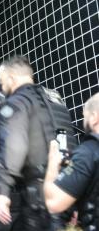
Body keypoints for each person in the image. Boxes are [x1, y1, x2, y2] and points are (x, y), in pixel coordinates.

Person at [0, 56, 76, 230]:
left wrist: (2, 190)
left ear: (11, 78)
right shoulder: (55, 99)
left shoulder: (17, 102)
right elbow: (70, 141)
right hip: (68, 187)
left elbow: (14, 146)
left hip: (39, 193)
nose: (1, 87)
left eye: (1, 81)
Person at [44, 92, 99, 230]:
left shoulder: (88, 152)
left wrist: (52, 163)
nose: (83, 121)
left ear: (94, 118)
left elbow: (53, 203)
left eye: (84, 116)